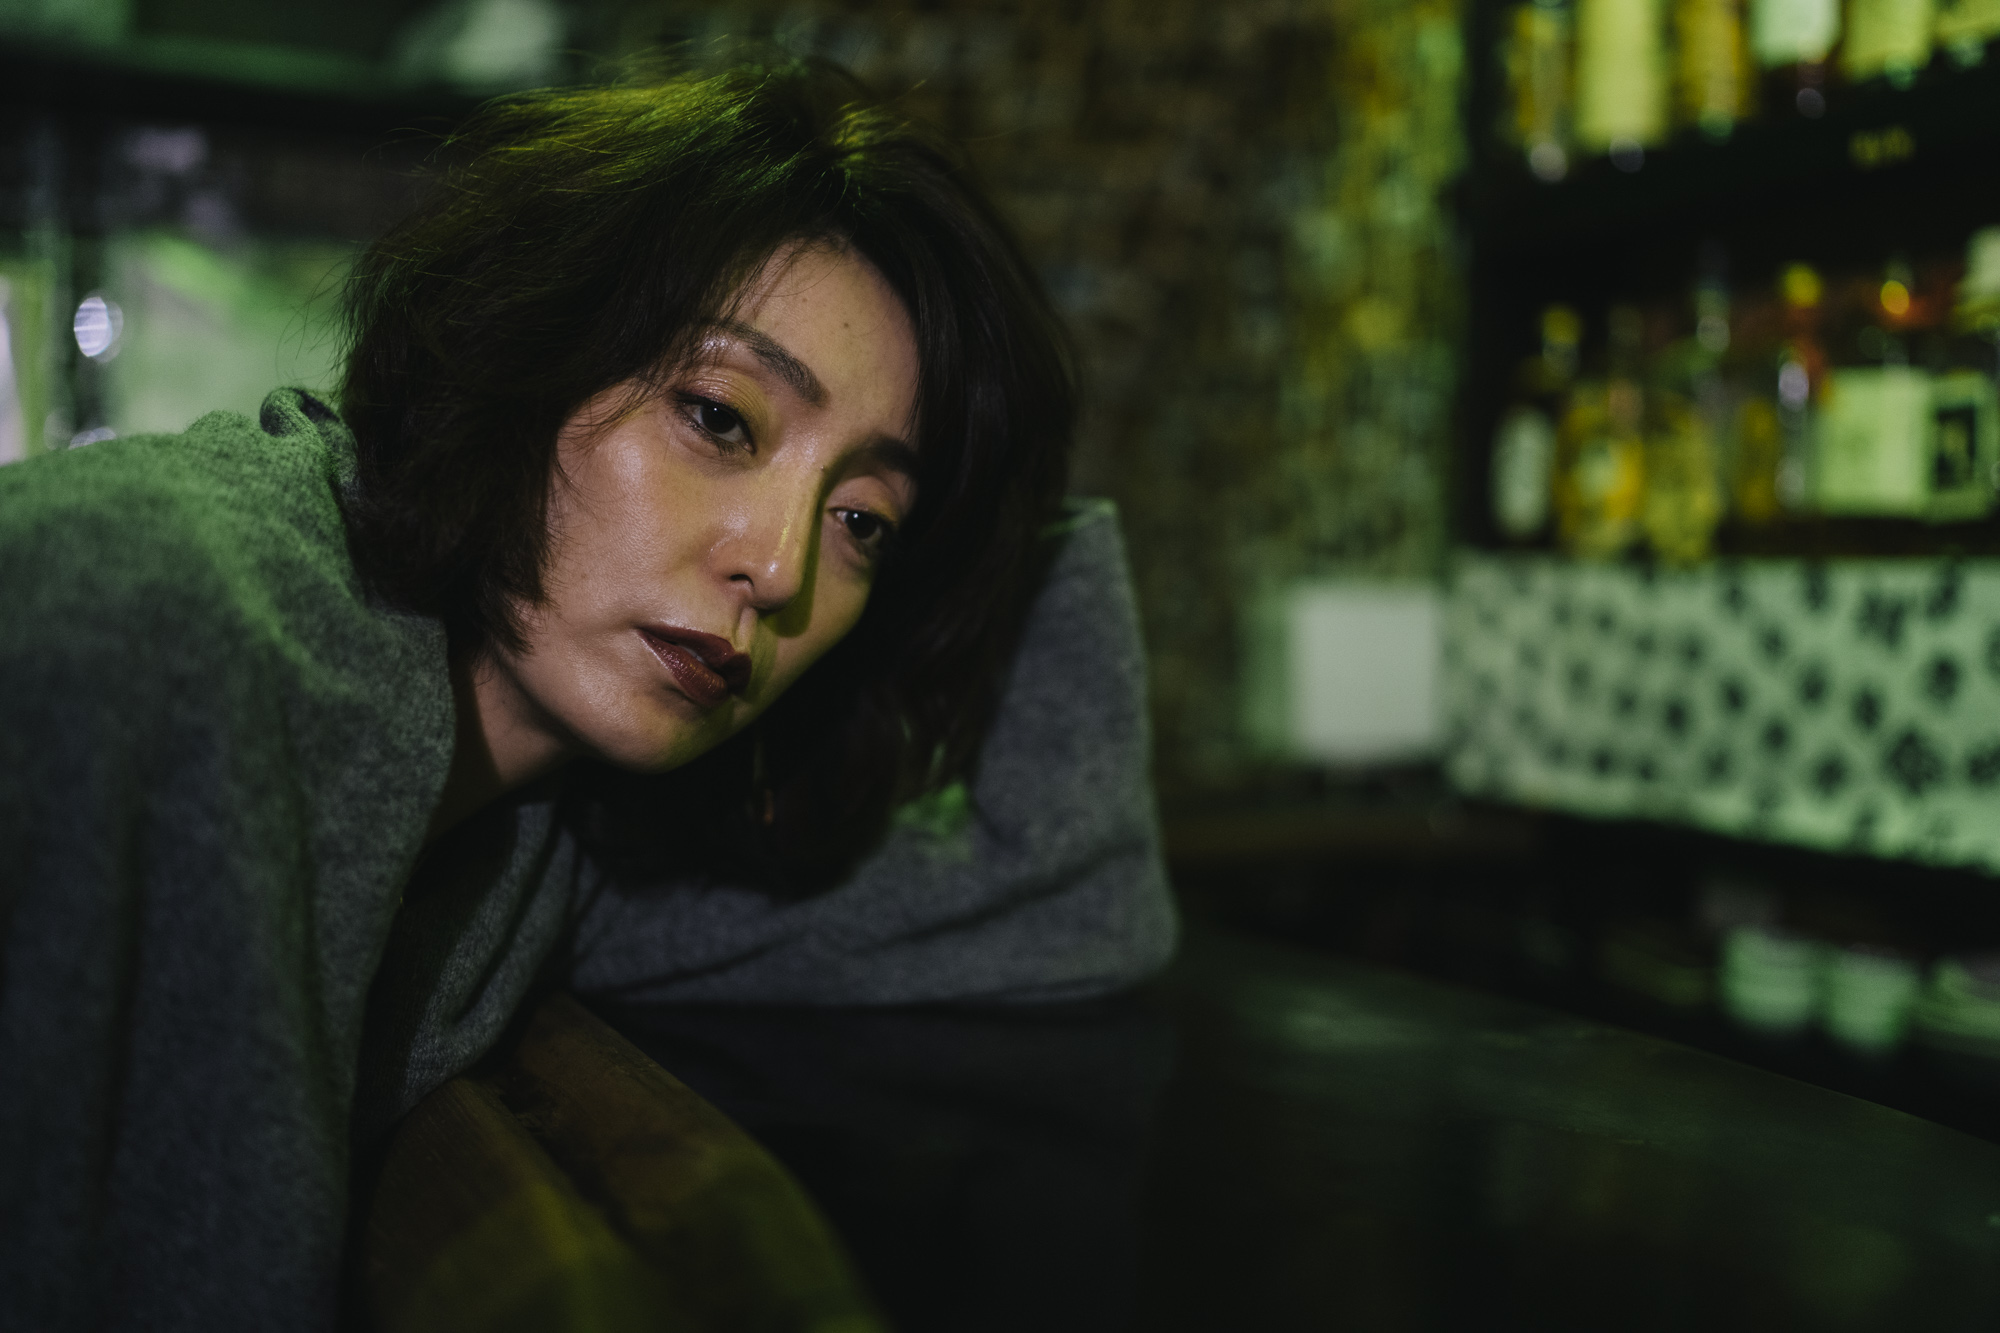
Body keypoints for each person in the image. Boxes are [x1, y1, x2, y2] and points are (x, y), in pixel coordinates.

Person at [0, 60, 1079, 1332]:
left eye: (862, 520)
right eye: (718, 417)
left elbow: (1066, 896)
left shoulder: (554, 829)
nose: (782, 568)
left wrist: (1009, 544)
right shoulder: (146, 612)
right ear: (527, 340)